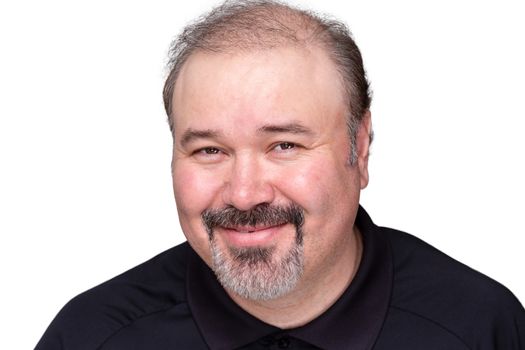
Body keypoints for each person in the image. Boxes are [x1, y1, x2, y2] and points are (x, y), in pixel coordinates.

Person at [36, 0, 525, 349]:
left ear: (360, 147)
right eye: (210, 150)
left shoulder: (482, 327)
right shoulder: (91, 336)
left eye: (284, 145)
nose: (245, 194)